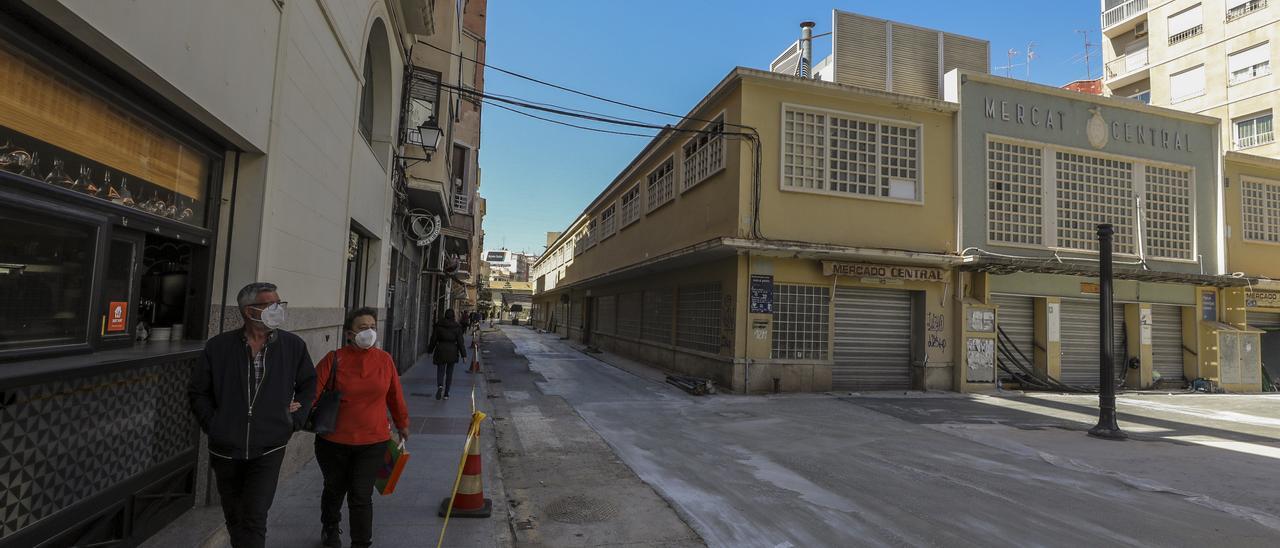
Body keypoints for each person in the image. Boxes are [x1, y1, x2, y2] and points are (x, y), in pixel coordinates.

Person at [188, 282, 316, 548]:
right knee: (235, 516)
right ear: (249, 311)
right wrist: (214, 424)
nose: (278, 310)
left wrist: (295, 419)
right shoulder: (218, 347)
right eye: (271, 305)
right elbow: (198, 391)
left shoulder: (293, 346)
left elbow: (308, 385)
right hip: (226, 448)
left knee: (255, 516)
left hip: (269, 446)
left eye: (280, 304)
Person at [314, 307, 410, 548]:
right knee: (335, 489)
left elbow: (394, 396)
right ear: (349, 333)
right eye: (362, 328)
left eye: (373, 327)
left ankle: (361, 542)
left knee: (361, 495)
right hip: (333, 441)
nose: (369, 332)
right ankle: (330, 526)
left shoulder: (384, 360)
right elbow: (311, 393)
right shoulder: (334, 359)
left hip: (373, 441)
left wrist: (402, 424)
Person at [427, 309, 466, 400]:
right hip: (452, 350)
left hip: (441, 349)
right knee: (449, 372)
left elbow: (433, 339)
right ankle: (446, 393)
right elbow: (460, 342)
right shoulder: (457, 327)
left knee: (440, 370)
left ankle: (440, 386)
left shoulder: (439, 325)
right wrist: (464, 355)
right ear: (453, 316)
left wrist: (430, 351)